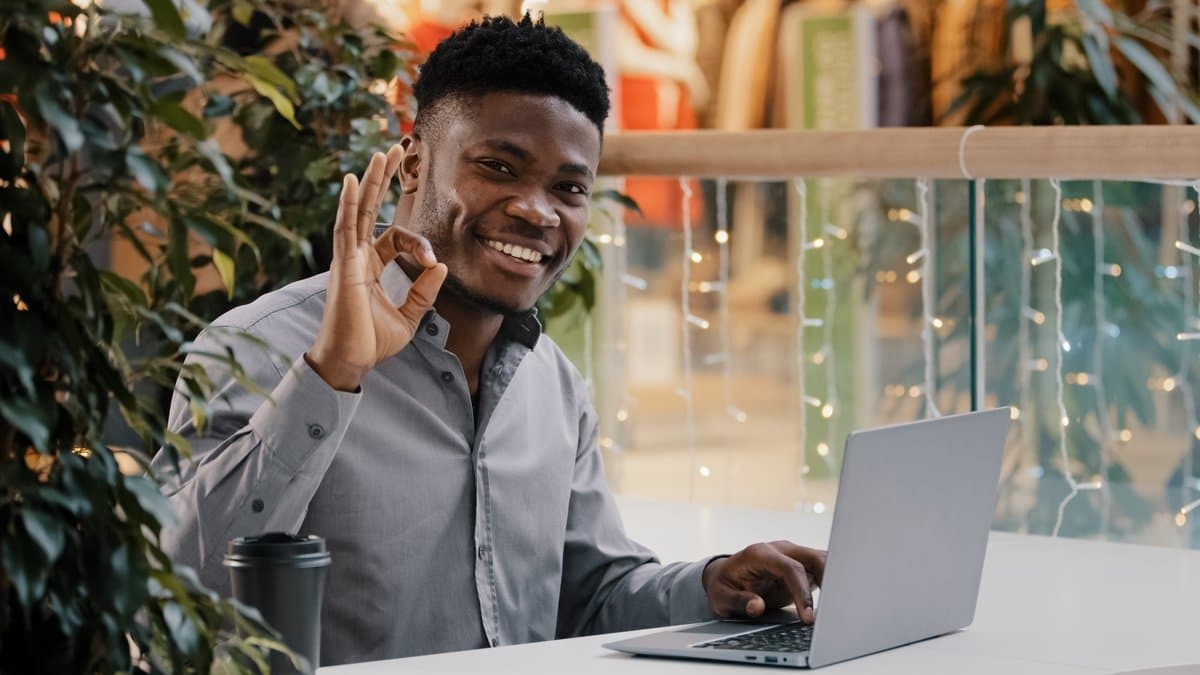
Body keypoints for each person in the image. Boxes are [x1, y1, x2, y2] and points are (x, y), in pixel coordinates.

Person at [153, 14, 825, 667]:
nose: (537, 210)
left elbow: (591, 599)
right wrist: (330, 374)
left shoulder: (553, 385)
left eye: (568, 187)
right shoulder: (258, 346)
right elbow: (176, 590)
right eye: (499, 167)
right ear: (413, 165)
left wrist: (712, 584)